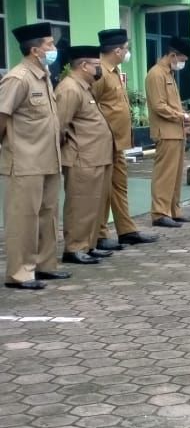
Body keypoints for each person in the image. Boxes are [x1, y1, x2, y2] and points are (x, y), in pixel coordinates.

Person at [0, 22, 69, 290]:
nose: (53, 49)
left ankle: (44, 265)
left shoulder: (43, 75)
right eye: (49, 45)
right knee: (23, 218)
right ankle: (19, 273)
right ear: (34, 50)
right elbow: (3, 115)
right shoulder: (18, 78)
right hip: (25, 160)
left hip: (48, 159)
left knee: (48, 215)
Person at [92, 28, 156, 250]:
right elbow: (90, 106)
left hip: (119, 142)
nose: (128, 53)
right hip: (103, 141)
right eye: (127, 49)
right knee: (102, 190)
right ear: (117, 50)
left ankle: (126, 230)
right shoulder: (99, 72)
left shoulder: (114, 71)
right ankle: (99, 234)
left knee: (119, 187)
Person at [55, 45, 115, 265]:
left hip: (96, 156)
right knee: (80, 205)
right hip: (82, 157)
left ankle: (88, 245)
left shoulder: (84, 87)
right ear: (84, 66)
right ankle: (74, 248)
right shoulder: (69, 88)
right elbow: (59, 126)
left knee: (94, 205)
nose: (99, 69)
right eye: (96, 65)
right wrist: (71, 150)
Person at [147, 36, 190, 228]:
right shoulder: (156, 74)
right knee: (165, 175)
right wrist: (185, 117)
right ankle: (160, 213)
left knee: (175, 175)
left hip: (176, 132)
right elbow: (159, 106)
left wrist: (185, 119)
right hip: (165, 132)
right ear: (172, 55)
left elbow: (172, 106)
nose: (183, 64)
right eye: (183, 60)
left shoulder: (168, 73)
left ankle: (173, 210)